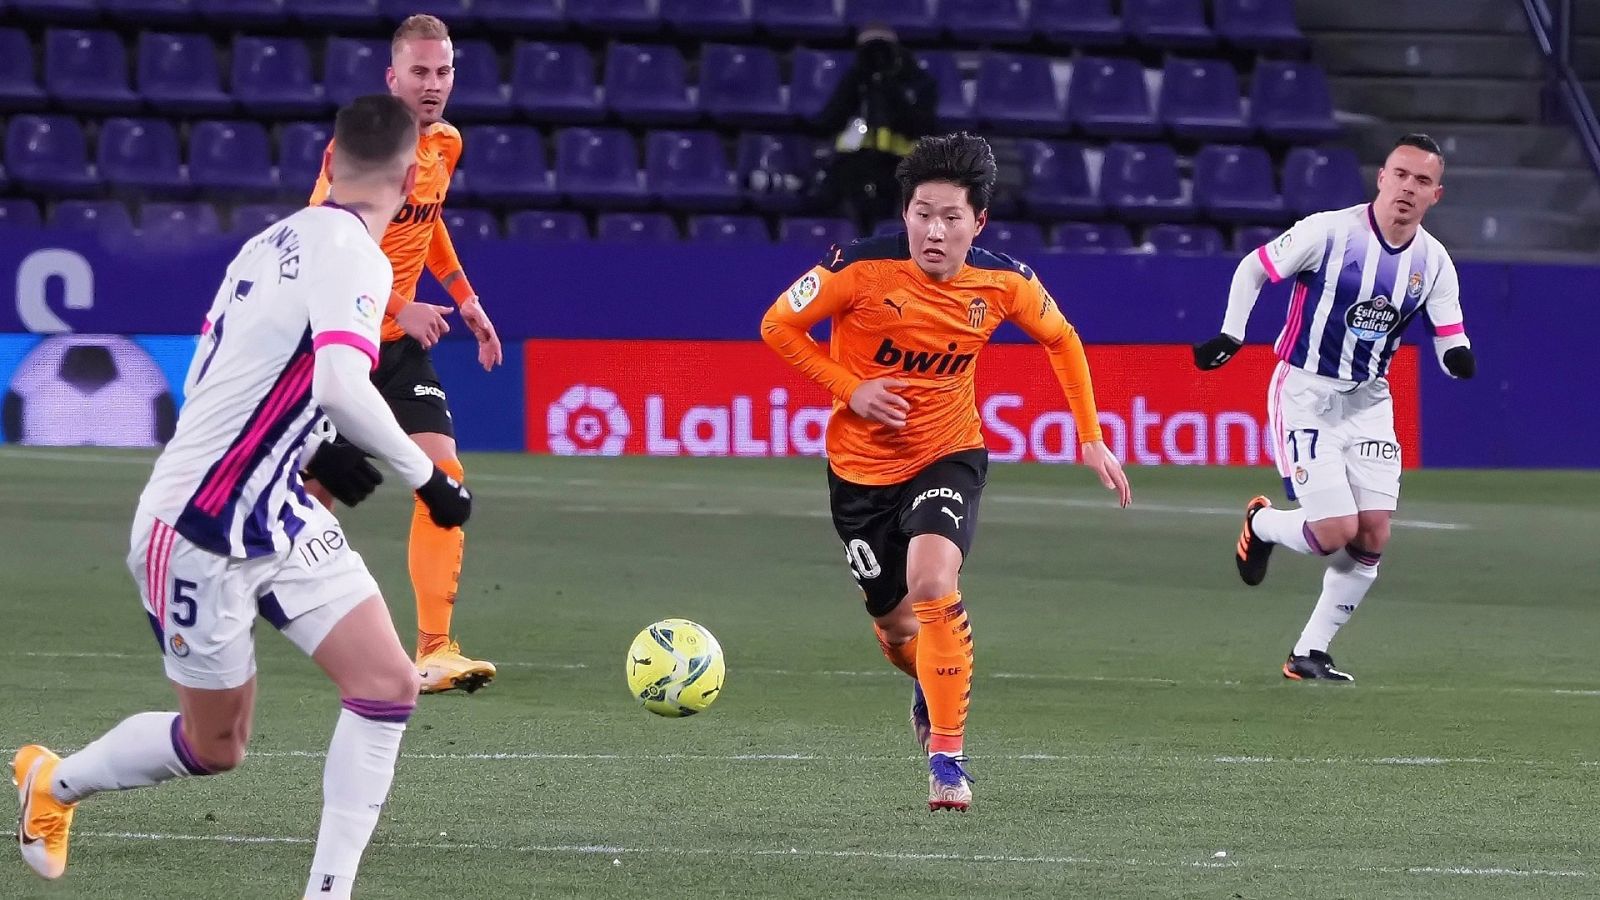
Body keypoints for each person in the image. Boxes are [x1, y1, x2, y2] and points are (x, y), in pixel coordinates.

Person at [11, 95, 472, 898]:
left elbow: (210, 377)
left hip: (277, 508)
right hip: (197, 527)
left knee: (388, 684)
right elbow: (340, 383)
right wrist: (427, 477)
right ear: (408, 178)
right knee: (216, 745)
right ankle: (53, 783)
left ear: (330, 160)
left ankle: (328, 894)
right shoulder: (361, 257)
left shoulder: (272, 239)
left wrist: (308, 456)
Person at [761, 133, 1131, 811]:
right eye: (923, 213)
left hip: (948, 453)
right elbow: (778, 325)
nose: (935, 230)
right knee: (899, 628)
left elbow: (1063, 338)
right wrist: (851, 388)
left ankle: (948, 759)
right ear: (904, 214)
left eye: (951, 217)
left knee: (933, 581)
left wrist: (1091, 437)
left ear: (978, 221)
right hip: (860, 475)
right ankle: (926, 678)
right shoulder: (857, 268)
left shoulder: (1003, 281)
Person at [1192, 133, 1475, 682]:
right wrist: (1231, 333)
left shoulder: (1434, 261)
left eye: (1422, 181)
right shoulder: (1329, 231)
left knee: (1373, 533)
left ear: (1435, 195)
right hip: (1305, 393)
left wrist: (1456, 358)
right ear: (1381, 177)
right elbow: (1253, 268)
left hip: (1371, 401)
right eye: (1400, 174)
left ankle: (1308, 653)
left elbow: (1449, 332)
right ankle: (1264, 523)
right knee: (1333, 532)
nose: (1408, 188)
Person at [308, 14, 502, 694]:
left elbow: (431, 216)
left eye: (442, 71)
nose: (432, 84)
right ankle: (253, 595)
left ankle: (436, 647)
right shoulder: (359, 151)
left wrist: (464, 297)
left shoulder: (444, 143)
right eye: (419, 72)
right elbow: (323, 242)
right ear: (392, 78)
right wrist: (399, 306)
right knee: (313, 500)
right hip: (341, 345)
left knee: (441, 475)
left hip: (397, 354)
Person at [813, 25, 939, 235]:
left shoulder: (918, 83)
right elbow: (828, 122)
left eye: (883, 49)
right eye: (870, 51)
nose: (877, 56)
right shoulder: (855, 80)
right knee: (826, 198)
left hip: (901, 168)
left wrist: (890, 89)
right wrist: (858, 84)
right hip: (855, 164)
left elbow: (922, 126)